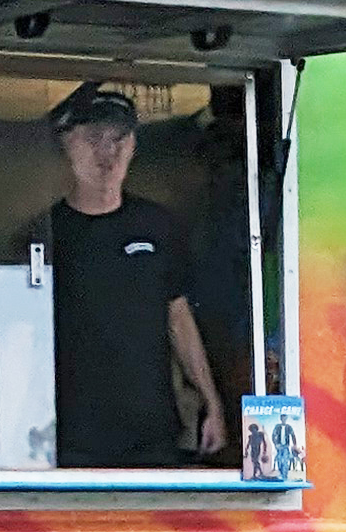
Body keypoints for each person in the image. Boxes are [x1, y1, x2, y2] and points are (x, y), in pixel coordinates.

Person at [40, 86, 226, 470]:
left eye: (119, 139)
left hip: (152, 433)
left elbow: (178, 317)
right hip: (68, 433)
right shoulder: (46, 232)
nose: (107, 154)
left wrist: (212, 403)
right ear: (67, 145)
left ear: (133, 147)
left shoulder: (158, 226)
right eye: (94, 139)